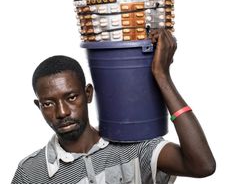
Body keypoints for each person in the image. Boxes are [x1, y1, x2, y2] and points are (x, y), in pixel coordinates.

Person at [11, 28, 216, 183]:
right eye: (48, 103)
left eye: (71, 97)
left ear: (88, 94)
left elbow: (202, 165)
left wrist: (162, 76)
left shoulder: (134, 146)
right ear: (39, 106)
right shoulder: (30, 172)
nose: (62, 112)